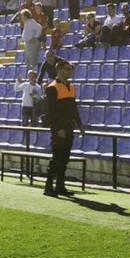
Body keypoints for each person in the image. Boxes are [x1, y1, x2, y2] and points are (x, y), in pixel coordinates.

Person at [43, 60, 84, 197]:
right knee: (57, 158)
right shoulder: (52, 88)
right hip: (58, 128)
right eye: (67, 69)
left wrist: (80, 125)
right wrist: (58, 128)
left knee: (65, 158)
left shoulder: (71, 87)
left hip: (69, 126)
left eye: (70, 69)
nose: (69, 71)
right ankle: (48, 187)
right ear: (59, 70)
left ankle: (60, 186)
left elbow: (74, 108)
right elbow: (51, 112)